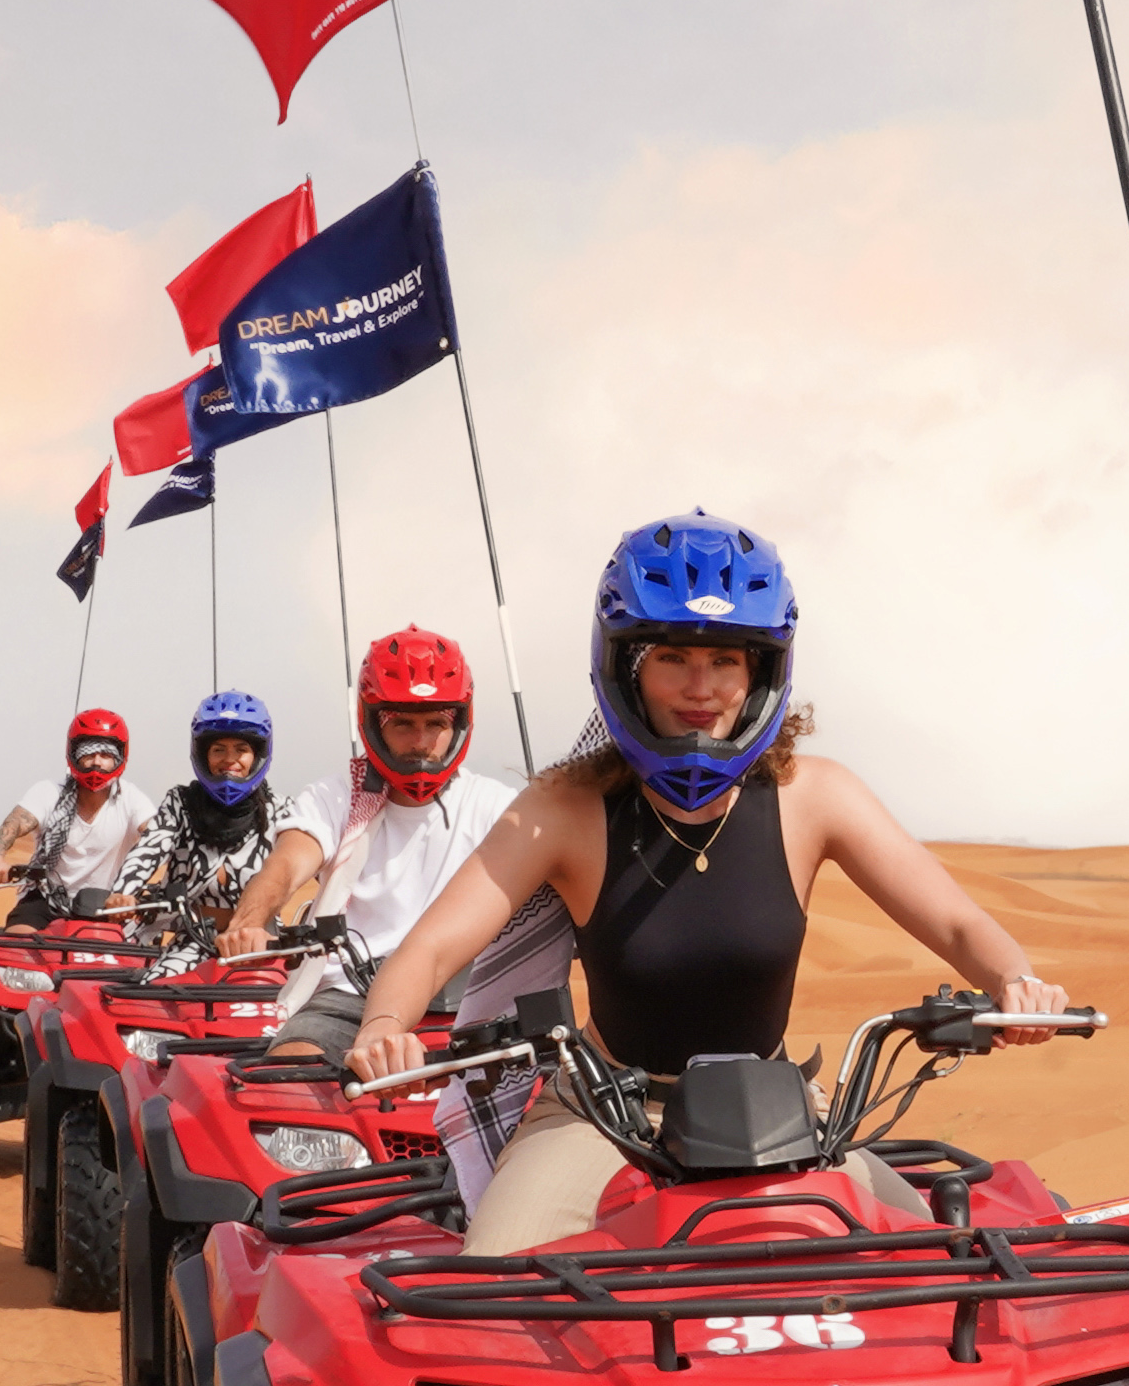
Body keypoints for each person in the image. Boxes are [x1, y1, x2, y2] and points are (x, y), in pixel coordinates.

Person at [347, 513, 1075, 1253]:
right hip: (604, 1116)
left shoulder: (813, 796)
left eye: (725, 660)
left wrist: (1017, 979)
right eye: (673, 659)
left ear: (761, 670)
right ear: (628, 667)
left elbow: (955, 923)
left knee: (925, 1270)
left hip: (781, 1107)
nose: (701, 689)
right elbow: (433, 949)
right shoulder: (563, 810)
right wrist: (383, 1031)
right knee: (496, 1288)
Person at [224, 625, 519, 1055]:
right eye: (403, 723)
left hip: (472, 1001)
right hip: (350, 997)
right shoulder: (339, 794)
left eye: (434, 723)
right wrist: (248, 922)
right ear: (373, 723)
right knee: (287, 1079)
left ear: (458, 722)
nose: (420, 742)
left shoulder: (496, 806)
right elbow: (286, 866)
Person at [100, 686, 285, 954]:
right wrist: (122, 893)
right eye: (218, 749)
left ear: (257, 755)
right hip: (190, 942)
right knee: (154, 991)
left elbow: (309, 860)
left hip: (257, 947)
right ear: (203, 754)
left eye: (241, 749)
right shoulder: (181, 803)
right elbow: (150, 848)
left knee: (289, 995)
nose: (229, 760)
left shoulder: (280, 811)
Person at [0, 706, 140, 929]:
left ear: (120, 758)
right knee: (18, 945)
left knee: (132, 959)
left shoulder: (130, 799)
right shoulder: (49, 791)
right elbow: (15, 823)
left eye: (106, 755)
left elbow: (158, 834)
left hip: (105, 906)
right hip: (44, 899)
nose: (97, 762)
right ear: (73, 753)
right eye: (88, 753)